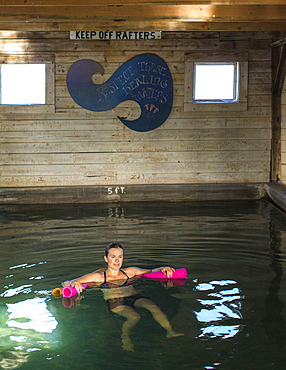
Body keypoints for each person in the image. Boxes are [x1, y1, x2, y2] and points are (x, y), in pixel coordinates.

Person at [62, 242, 183, 351]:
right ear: (106, 258)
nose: (117, 260)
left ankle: (170, 331)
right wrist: (74, 283)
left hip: (134, 296)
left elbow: (151, 271)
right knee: (135, 317)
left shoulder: (130, 272)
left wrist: (163, 268)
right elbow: (66, 283)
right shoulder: (99, 277)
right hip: (115, 302)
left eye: (120, 256)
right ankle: (125, 337)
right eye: (113, 257)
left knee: (153, 306)